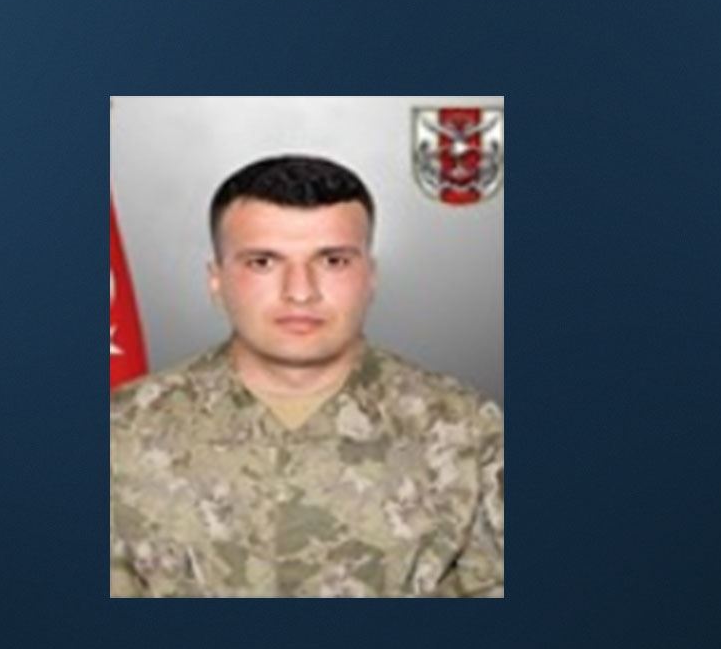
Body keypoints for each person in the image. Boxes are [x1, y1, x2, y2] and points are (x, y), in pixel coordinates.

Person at [109, 155, 503, 598]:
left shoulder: (471, 432)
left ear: (370, 277)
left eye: (333, 261)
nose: (300, 292)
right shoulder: (121, 431)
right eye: (263, 262)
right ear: (216, 280)